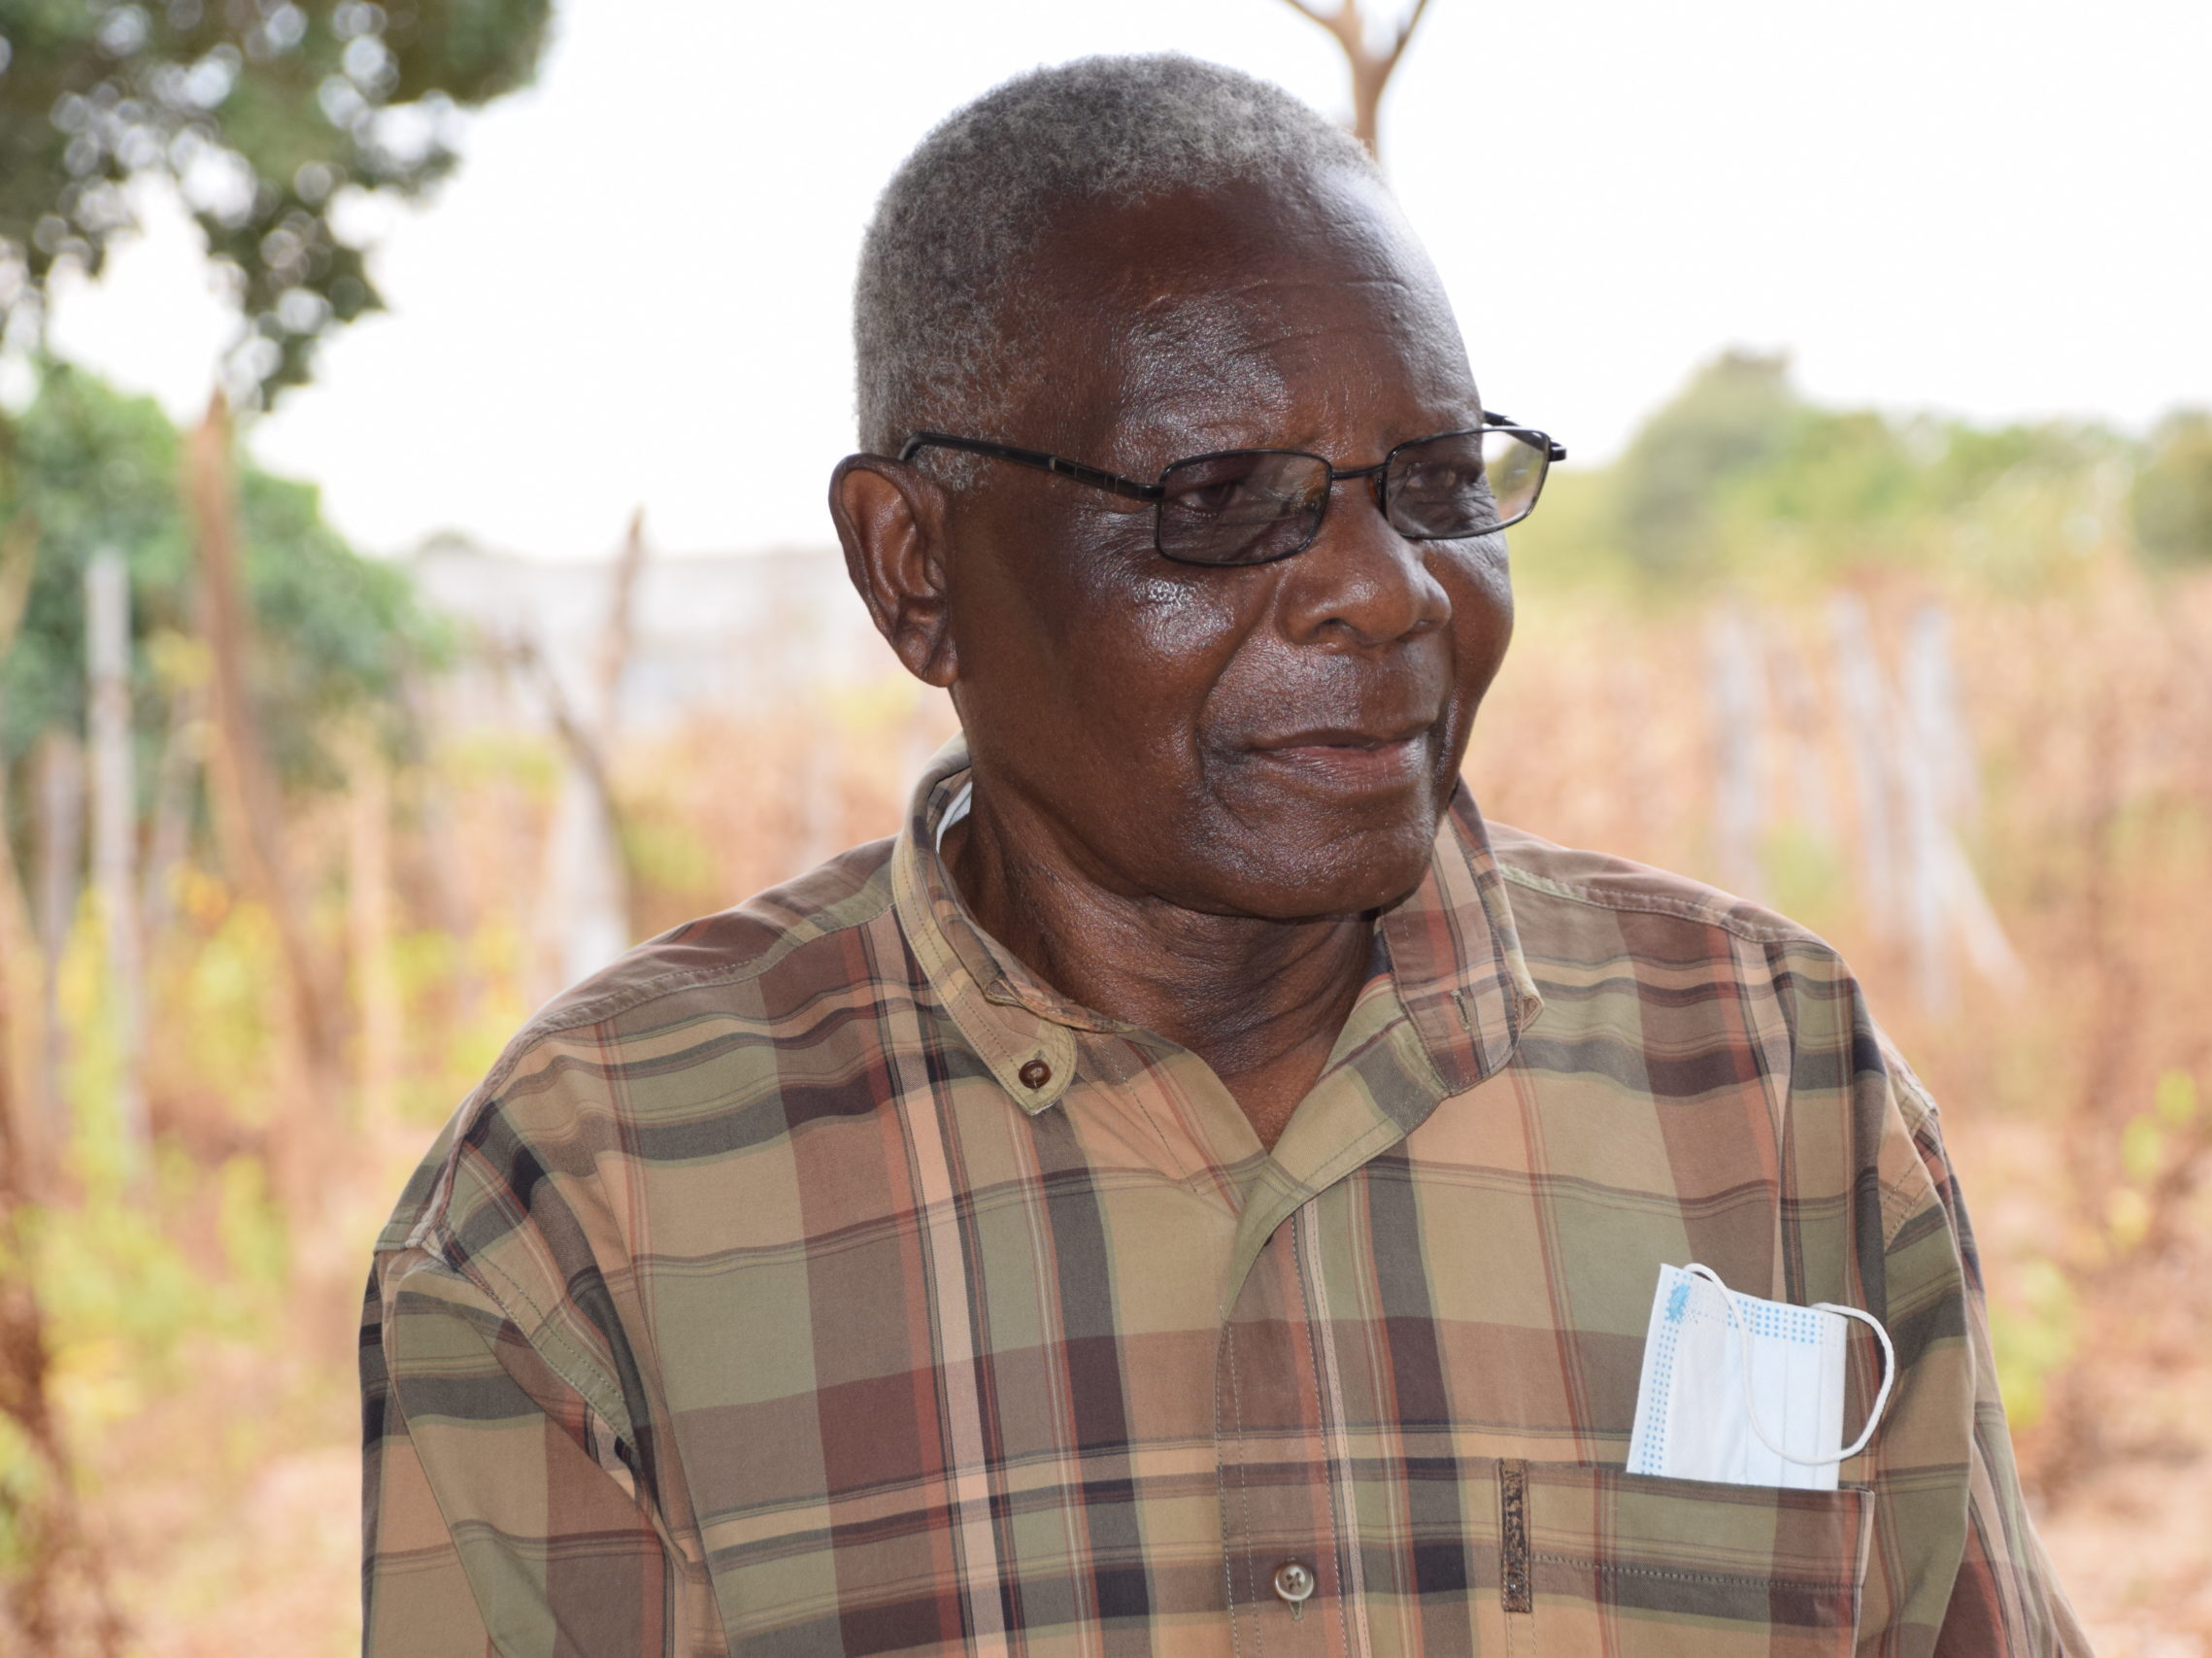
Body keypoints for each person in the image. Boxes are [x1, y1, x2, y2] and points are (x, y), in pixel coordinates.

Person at [361, 54, 2085, 1657]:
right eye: (1222, 498)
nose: (1387, 589)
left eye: (1434, 480)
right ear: (914, 571)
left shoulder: (1769, 1084)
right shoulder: (592, 1198)